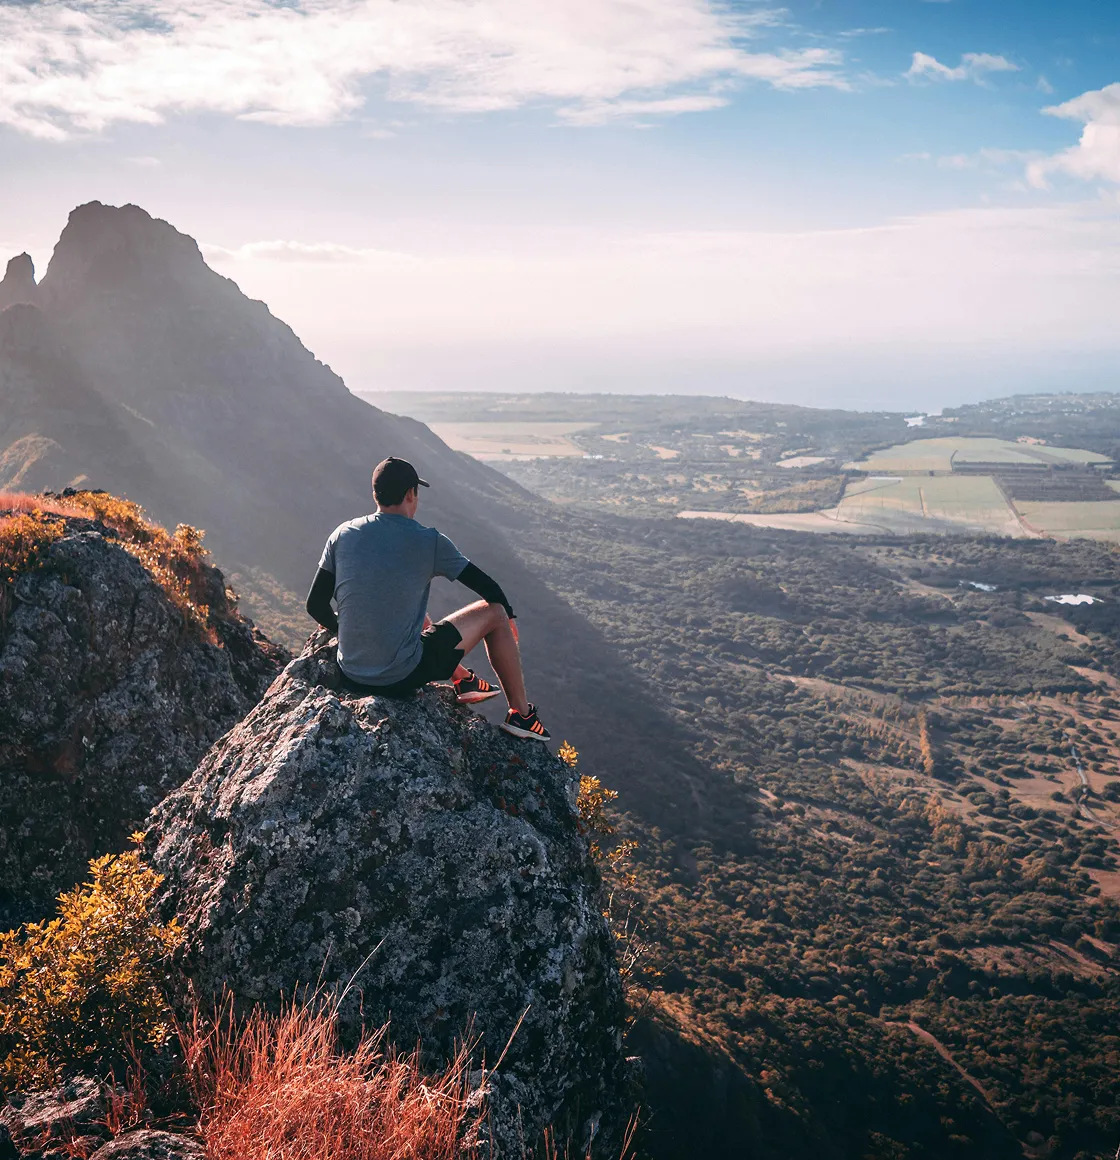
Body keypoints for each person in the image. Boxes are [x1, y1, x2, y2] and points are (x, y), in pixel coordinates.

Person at [305, 456, 550, 741]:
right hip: (399, 677)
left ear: (376, 494)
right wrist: (508, 616)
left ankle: (464, 680)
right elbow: (488, 588)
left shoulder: (342, 534)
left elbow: (315, 605)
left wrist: (346, 631)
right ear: (411, 494)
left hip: (351, 671)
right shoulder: (429, 541)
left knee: (403, 603)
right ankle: (521, 716)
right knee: (493, 613)